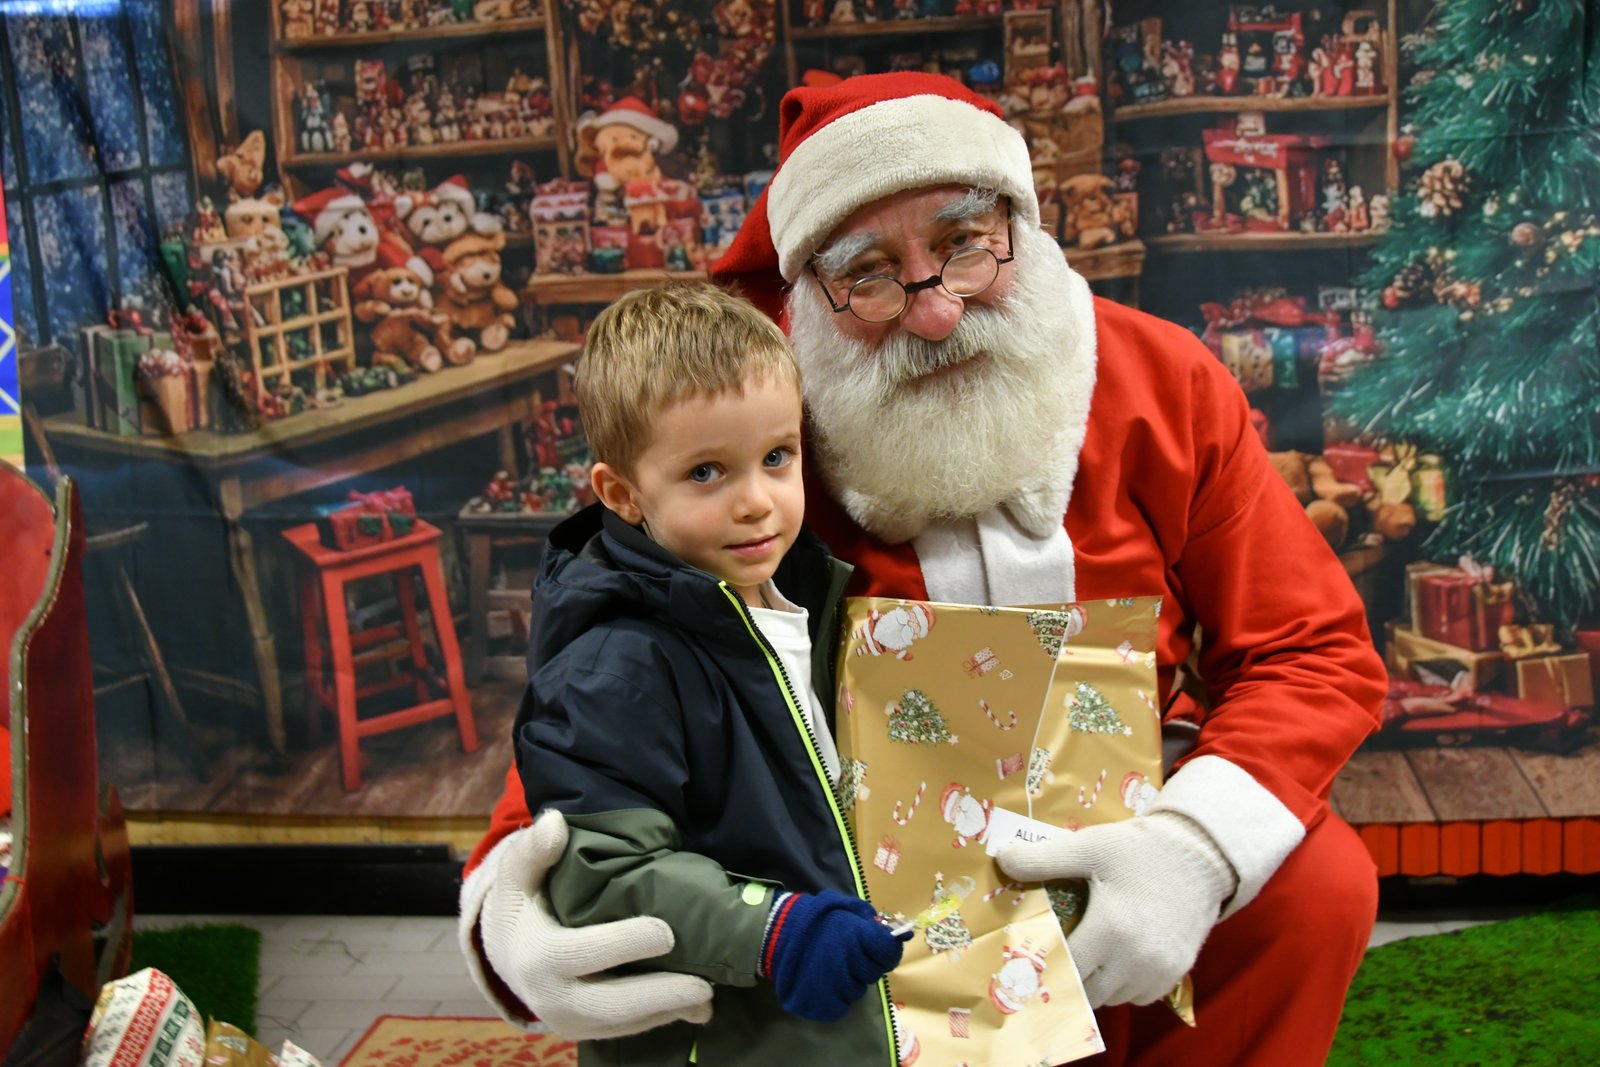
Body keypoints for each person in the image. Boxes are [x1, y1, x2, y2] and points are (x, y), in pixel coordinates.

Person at [460, 73, 1387, 1067]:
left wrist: (1193, 847)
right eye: (868, 275)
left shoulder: (1162, 380)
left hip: (1124, 829)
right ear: (807, 296)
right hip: (858, 870)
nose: (936, 311)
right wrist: (516, 886)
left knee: (1316, 881)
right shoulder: (764, 442)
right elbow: (624, 655)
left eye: (965, 243)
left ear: (1020, 226)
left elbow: (1308, 648)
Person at [511, 282, 904, 1064]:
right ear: (623, 494)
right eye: (705, 473)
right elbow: (602, 873)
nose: (756, 501)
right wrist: (773, 927)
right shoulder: (615, 667)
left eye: (776, 457)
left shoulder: (804, 597)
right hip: (716, 1038)